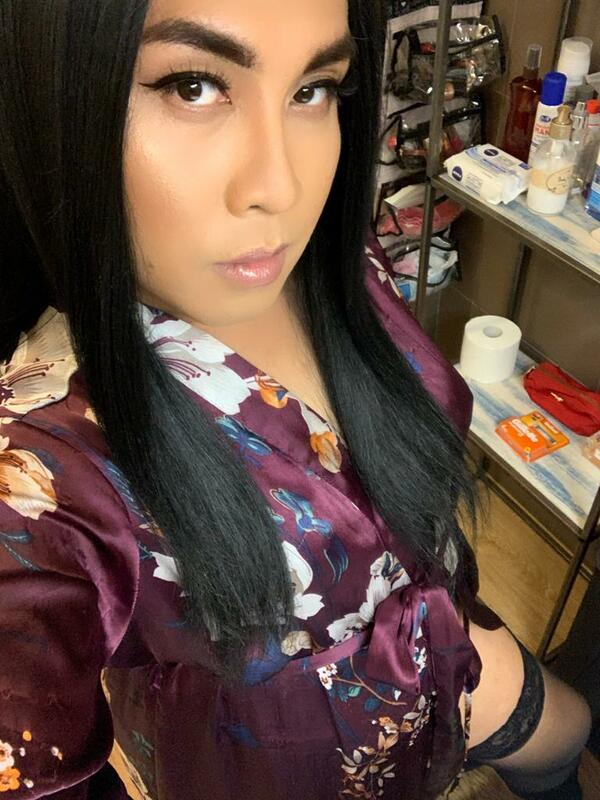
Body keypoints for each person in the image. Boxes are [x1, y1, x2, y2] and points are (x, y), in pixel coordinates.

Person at [0, 1, 591, 798]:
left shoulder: (326, 261)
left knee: (566, 742)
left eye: (313, 89)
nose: (281, 187)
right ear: (50, 97)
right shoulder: (41, 466)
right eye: (193, 85)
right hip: (292, 767)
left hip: (456, 644)